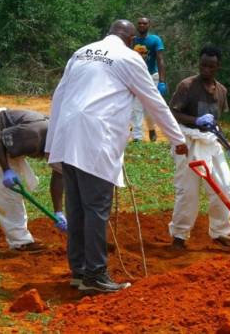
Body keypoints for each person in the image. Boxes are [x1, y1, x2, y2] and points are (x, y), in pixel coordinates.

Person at [46, 19, 188, 293]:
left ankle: (79, 272)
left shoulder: (81, 52)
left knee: (76, 210)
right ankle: (96, 276)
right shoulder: (128, 57)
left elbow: (59, 97)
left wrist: (52, 145)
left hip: (67, 136)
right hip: (95, 139)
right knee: (97, 210)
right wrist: (178, 138)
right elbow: (153, 101)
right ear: (130, 39)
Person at [167, 45, 230, 250]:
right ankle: (180, 236)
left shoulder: (221, 91)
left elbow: (216, 123)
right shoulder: (187, 86)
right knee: (188, 191)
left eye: (211, 66)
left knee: (224, 186)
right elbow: (172, 113)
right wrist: (196, 120)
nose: (206, 69)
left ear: (218, 67)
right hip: (189, 141)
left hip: (211, 142)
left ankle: (220, 232)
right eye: (203, 65)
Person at [0, 108, 66, 252]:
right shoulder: (34, 135)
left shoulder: (60, 143)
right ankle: (20, 242)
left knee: (12, 191)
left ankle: (20, 237)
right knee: (7, 193)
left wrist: (58, 212)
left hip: (12, 136)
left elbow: (58, 173)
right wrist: (6, 170)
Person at [131, 17, 167, 142]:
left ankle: (151, 128)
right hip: (136, 76)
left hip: (151, 76)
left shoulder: (155, 40)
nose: (141, 25)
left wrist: (162, 81)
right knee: (136, 106)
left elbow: (160, 59)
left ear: (149, 25)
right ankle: (137, 137)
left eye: (144, 23)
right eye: (139, 23)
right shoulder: (132, 40)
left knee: (149, 107)